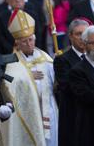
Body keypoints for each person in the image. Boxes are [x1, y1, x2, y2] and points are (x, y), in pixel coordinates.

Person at [8, 9, 58, 146]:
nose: (29, 44)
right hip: (28, 109)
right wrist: (28, 76)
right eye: (24, 41)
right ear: (17, 43)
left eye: (30, 40)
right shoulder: (12, 62)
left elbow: (55, 80)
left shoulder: (44, 57)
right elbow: (10, 86)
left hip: (48, 107)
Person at [53, 18, 89, 146]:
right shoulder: (62, 60)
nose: (82, 38)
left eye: (85, 34)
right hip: (74, 117)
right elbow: (69, 87)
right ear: (70, 37)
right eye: (78, 34)